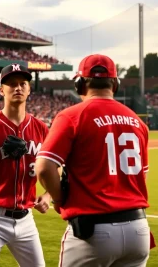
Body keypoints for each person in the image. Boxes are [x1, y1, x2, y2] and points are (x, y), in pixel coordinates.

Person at [35, 54, 152, 267]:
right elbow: (141, 174)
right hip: (138, 229)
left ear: (80, 84)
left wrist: (59, 200)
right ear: (115, 84)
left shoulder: (72, 115)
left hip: (93, 230)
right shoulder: (137, 121)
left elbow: (43, 167)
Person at [0, 63, 50, 267]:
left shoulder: (41, 129)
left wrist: (48, 195)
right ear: (1, 89)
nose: (18, 88)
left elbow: (54, 166)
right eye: (11, 84)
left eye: (23, 83)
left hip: (26, 218)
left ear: (29, 89)